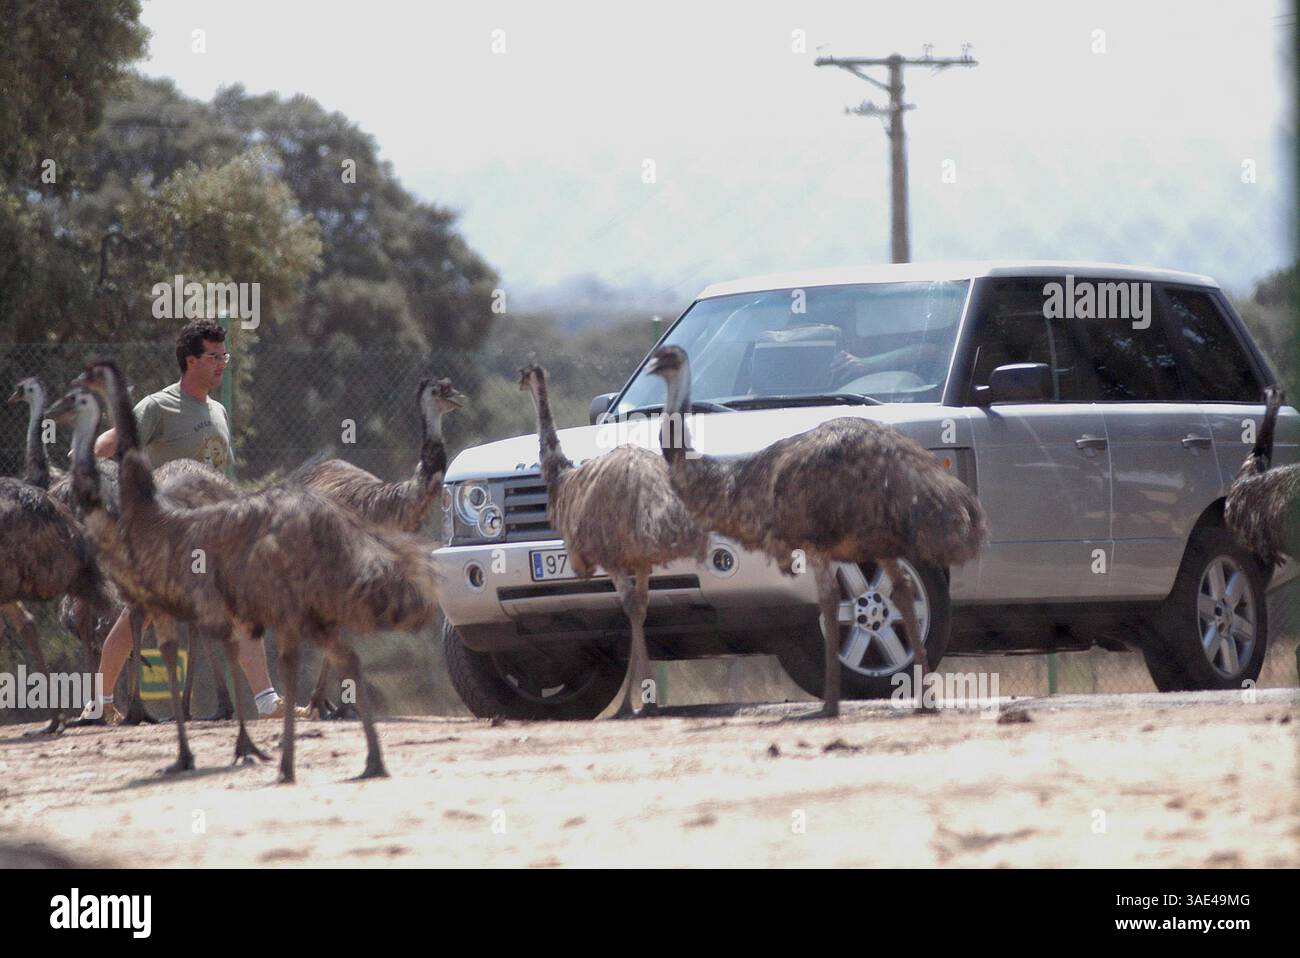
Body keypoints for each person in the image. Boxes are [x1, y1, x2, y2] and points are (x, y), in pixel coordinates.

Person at [81, 319, 306, 723]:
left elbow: (223, 474)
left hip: (218, 533)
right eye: (214, 357)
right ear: (190, 360)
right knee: (140, 616)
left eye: (225, 356)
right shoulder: (157, 406)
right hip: (172, 536)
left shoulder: (217, 410)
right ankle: (97, 704)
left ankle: (268, 702)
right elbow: (104, 446)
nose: (222, 364)